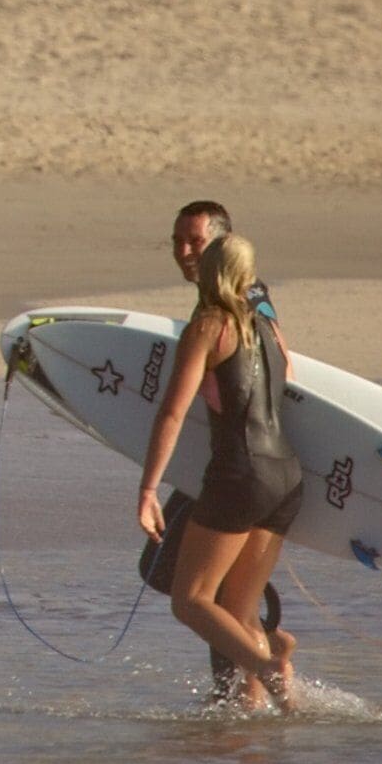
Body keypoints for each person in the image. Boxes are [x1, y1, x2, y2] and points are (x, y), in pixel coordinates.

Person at [135, 230, 302, 708]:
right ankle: (268, 700)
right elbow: (290, 382)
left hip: (240, 475)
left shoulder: (209, 325)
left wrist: (148, 490)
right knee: (237, 609)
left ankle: (267, 666)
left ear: (210, 271)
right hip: (287, 476)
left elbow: (172, 412)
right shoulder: (267, 326)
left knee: (190, 601)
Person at [157, 200, 282, 694]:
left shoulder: (238, 302)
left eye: (196, 242)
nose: (185, 252)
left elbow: (176, 408)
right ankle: (244, 700)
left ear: (223, 246)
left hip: (237, 468)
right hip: (260, 466)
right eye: (178, 241)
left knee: (188, 590)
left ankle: (248, 681)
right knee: (218, 596)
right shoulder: (231, 300)